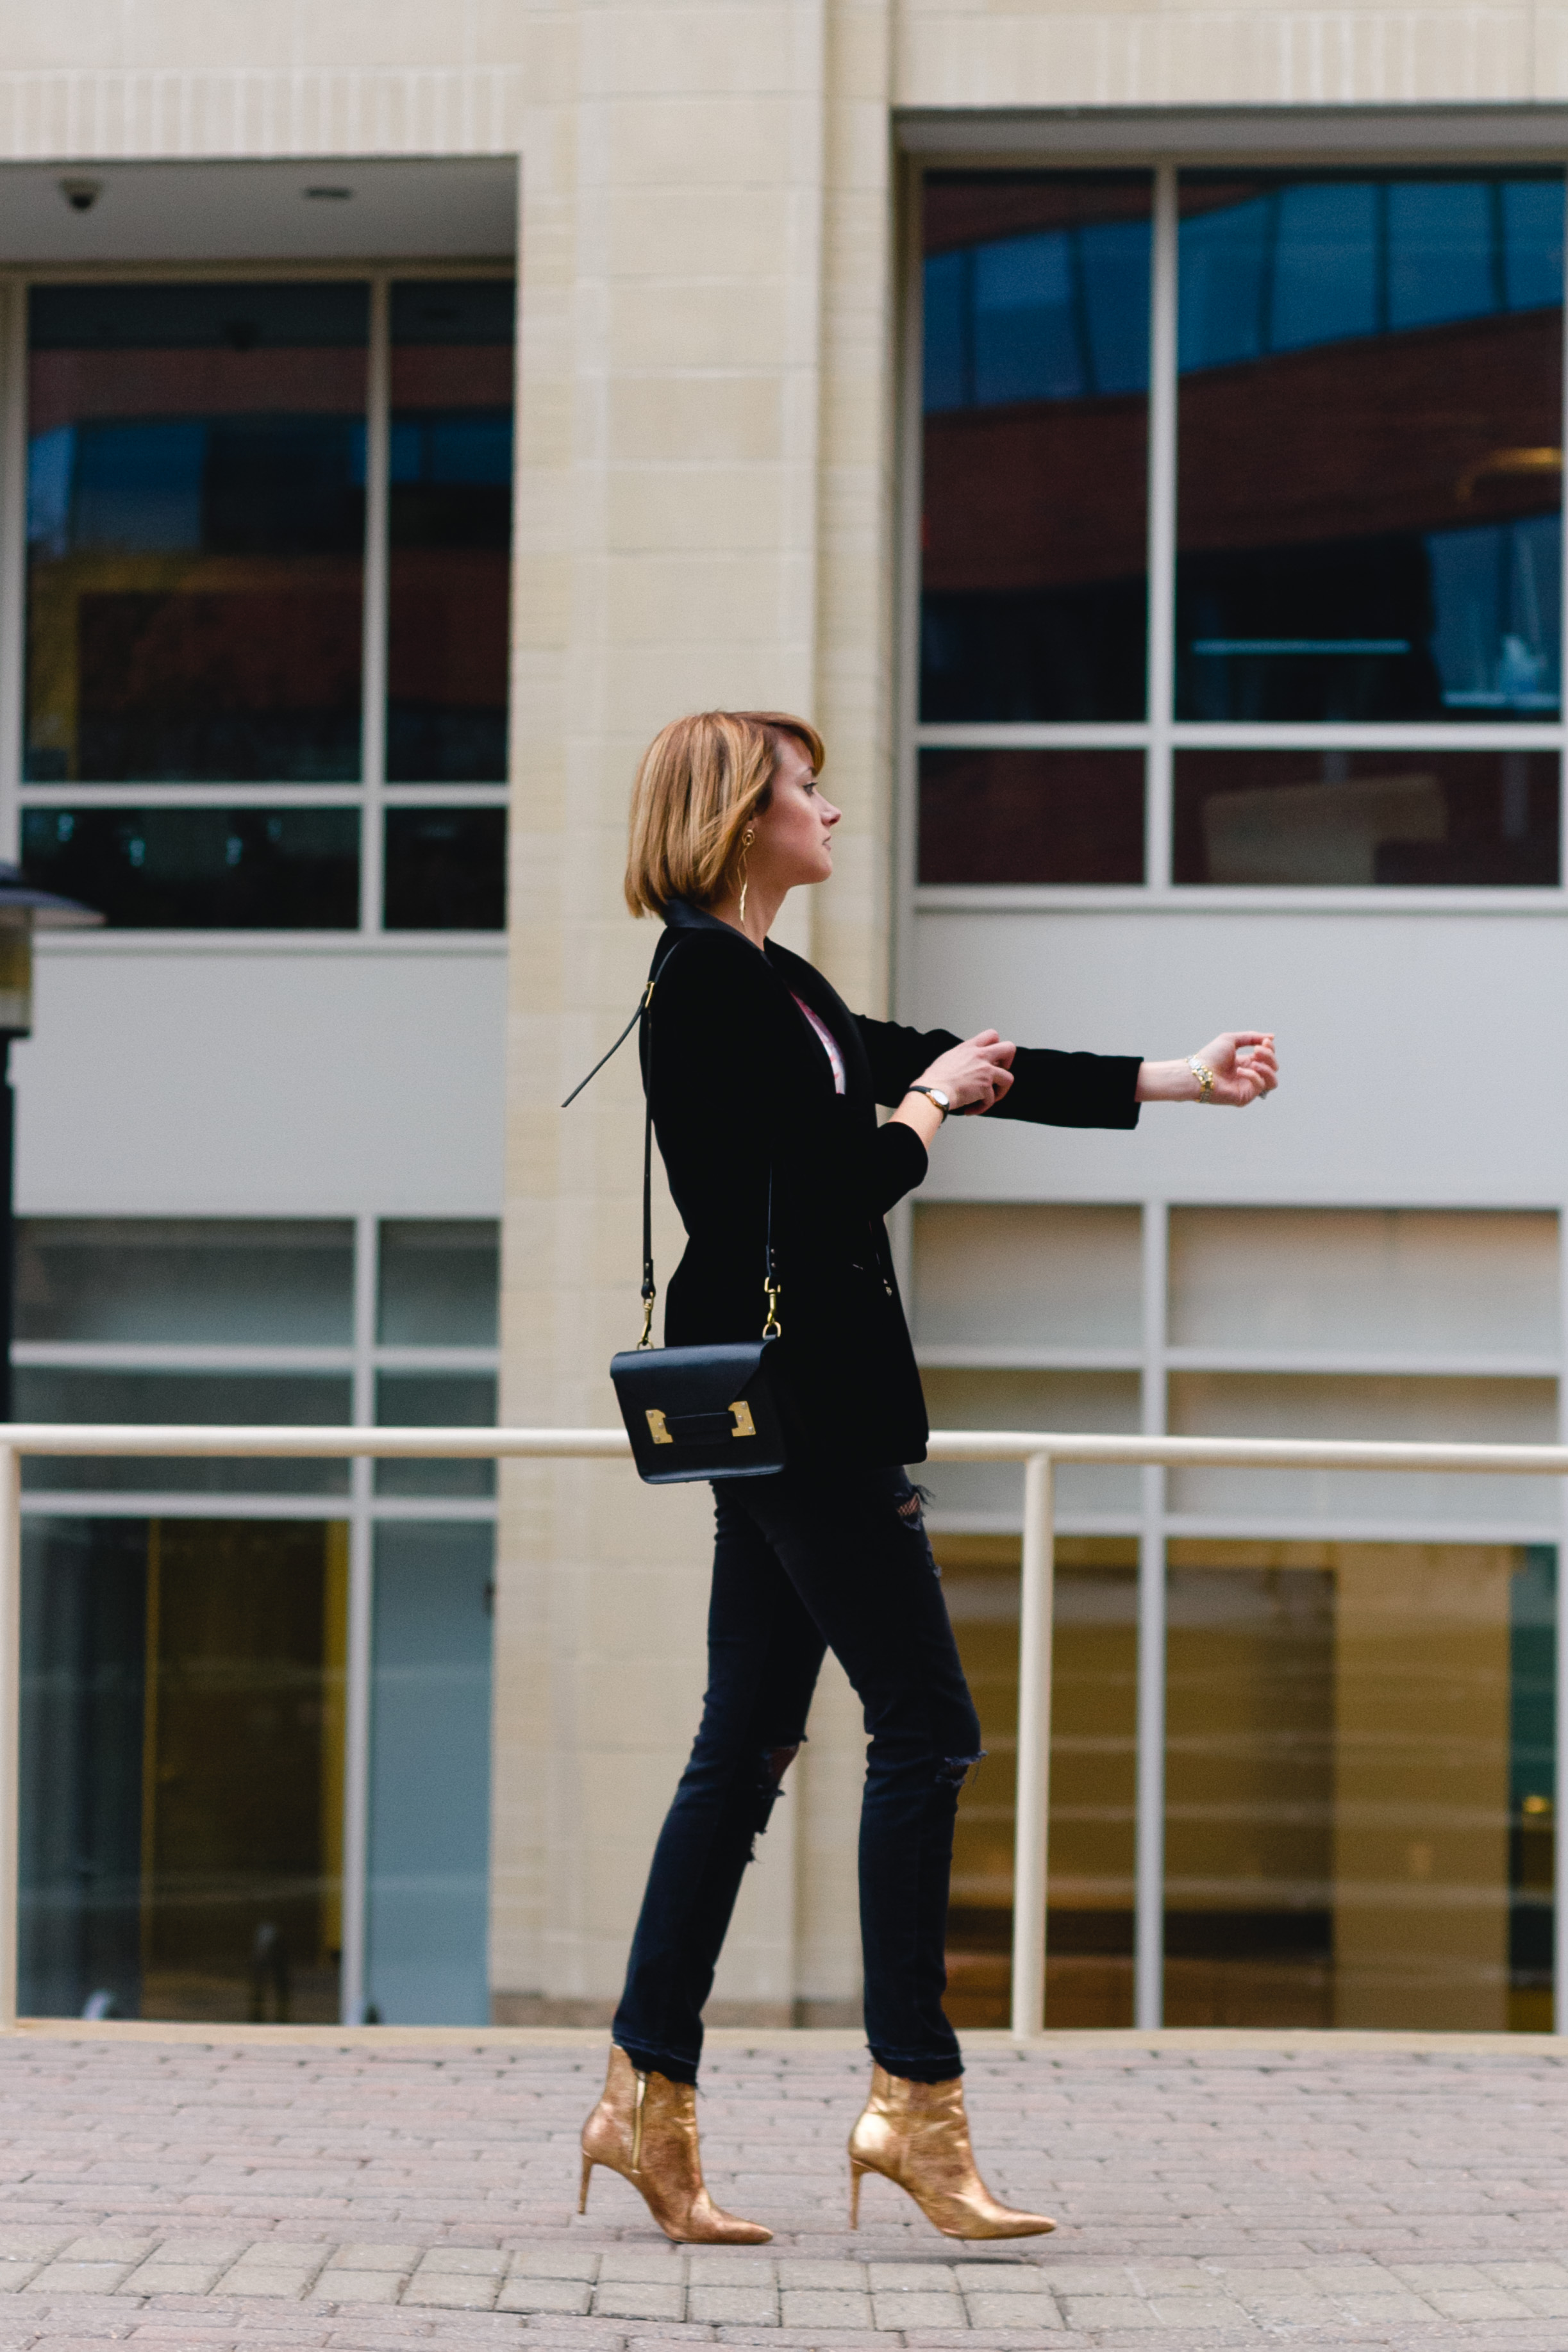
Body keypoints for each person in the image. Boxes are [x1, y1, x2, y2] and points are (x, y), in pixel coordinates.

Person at [578, 710, 1278, 2246]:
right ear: (735, 815)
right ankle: (911, 2103)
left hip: (795, 1400)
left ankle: (645, 2098)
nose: (829, 809)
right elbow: (821, 1189)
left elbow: (935, 1065)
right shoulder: (702, 983)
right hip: (807, 1404)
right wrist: (924, 1111)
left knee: (747, 1738)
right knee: (926, 1726)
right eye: (804, 788)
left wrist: (1176, 1076)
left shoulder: (772, 980)